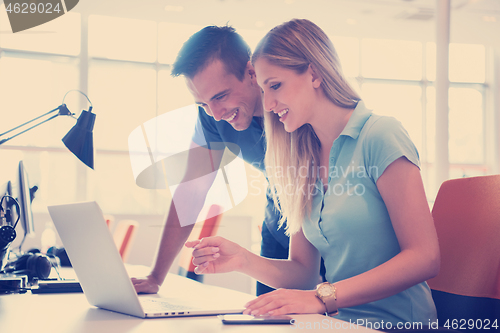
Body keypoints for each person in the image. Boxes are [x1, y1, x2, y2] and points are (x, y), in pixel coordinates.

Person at [186, 19, 440, 325]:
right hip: (336, 323)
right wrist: (242, 259)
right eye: (264, 89)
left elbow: (425, 257)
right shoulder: (299, 156)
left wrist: (321, 297)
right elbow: (303, 270)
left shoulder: (380, 135)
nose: (267, 103)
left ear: (314, 74)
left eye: (276, 86)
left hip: (397, 324)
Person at [131, 25, 324, 296]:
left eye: (220, 96)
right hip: (281, 225)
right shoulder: (212, 117)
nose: (216, 114)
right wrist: (155, 278)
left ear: (251, 72)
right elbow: (190, 192)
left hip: (327, 227)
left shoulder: (294, 108)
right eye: (203, 104)